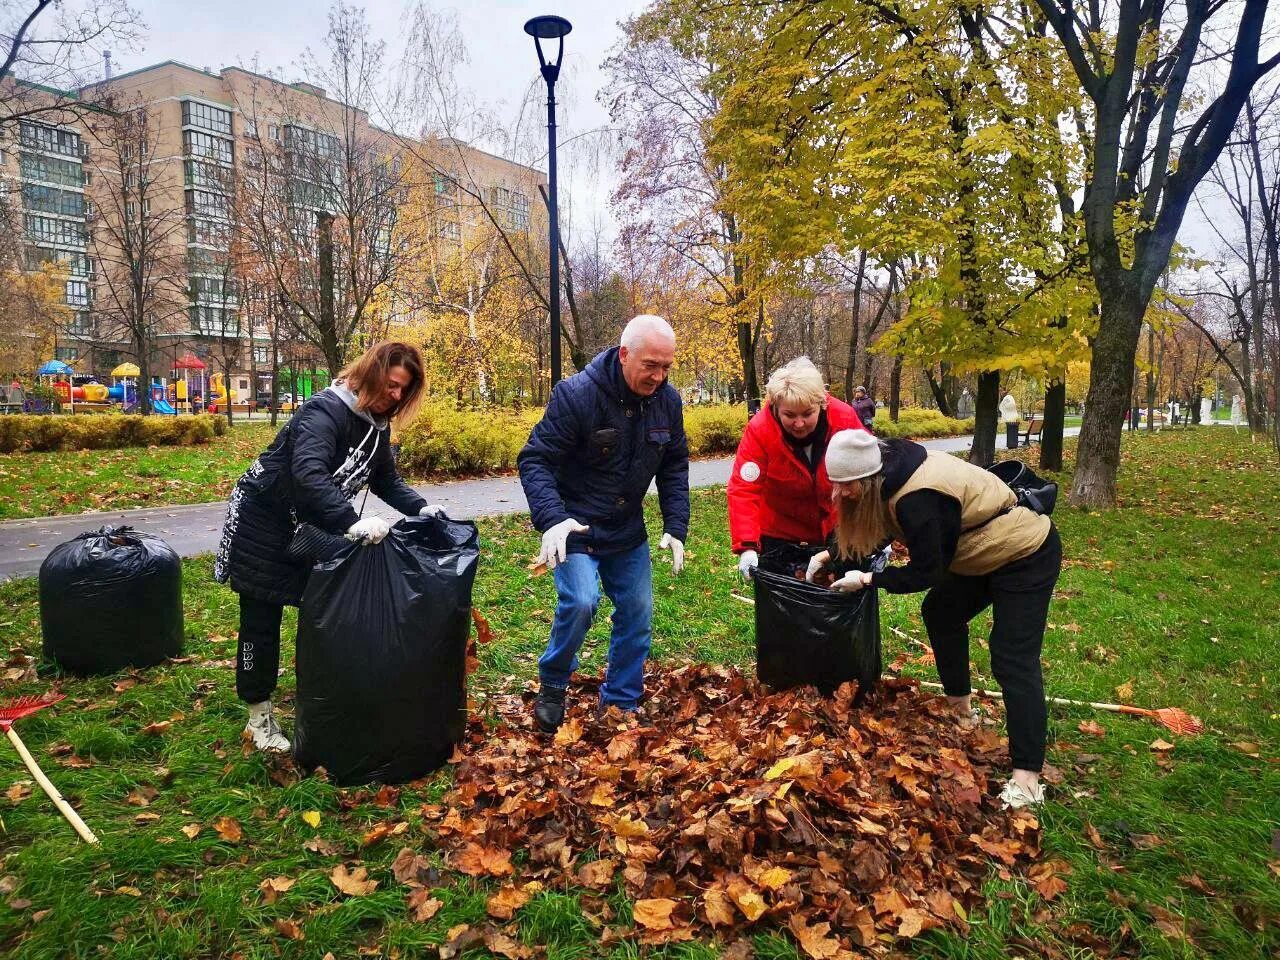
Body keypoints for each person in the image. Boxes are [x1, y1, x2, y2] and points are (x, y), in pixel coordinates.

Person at [806, 429, 1062, 809]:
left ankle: (1027, 777)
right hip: (978, 553)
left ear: (868, 477)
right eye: (836, 484)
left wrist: (868, 579)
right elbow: (875, 529)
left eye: (847, 485)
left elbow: (928, 572)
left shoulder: (918, 499)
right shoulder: (885, 471)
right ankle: (961, 711)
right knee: (941, 613)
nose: (840, 493)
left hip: (1024, 554)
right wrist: (830, 556)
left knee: (1012, 658)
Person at [214, 341, 443, 751]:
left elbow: (385, 480)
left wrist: (422, 509)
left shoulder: (377, 424)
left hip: (310, 525)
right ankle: (258, 716)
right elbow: (309, 473)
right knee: (261, 618)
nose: (396, 397)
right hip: (263, 520)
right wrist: (352, 522)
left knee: (325, 609)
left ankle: (319, 695)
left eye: (403, 392)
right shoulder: (326, 411)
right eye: (392, 386)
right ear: (371, 374)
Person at [517, 315, 690, 732]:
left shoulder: (668, 401)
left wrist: (676, 524)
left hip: (627, 532)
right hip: (574, 529)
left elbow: (674, 463)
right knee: (580, 603)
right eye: (651, 365)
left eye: (667, 366)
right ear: (624, 353)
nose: (659, 376)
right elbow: (535, 459)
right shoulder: (576, 395)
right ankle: (554, 684)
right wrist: (552, 519)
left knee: (637, 612)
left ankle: (620, 702)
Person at [727, 357, 866, 580]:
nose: (799, 424)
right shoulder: (760, 430)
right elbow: (744, 488)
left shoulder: (844, 418)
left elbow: (869, 475)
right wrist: (748, 547)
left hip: (837, 526)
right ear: (775, 407)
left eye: (807, 414)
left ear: (821, 403)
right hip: (780, 533)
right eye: (789, 415)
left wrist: (877, 533)